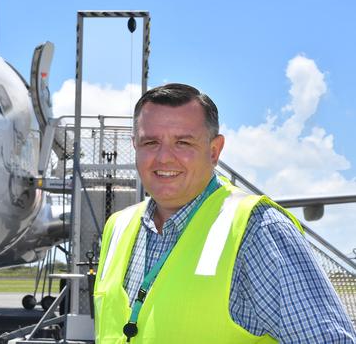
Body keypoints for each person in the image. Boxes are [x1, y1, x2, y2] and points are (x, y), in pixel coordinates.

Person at [93, 83, 355, 343]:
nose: (164, 158)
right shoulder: (118, 227)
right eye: (151, 142)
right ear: (135, 146)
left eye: (183, 143)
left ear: (214, 151)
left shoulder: (255, 230)